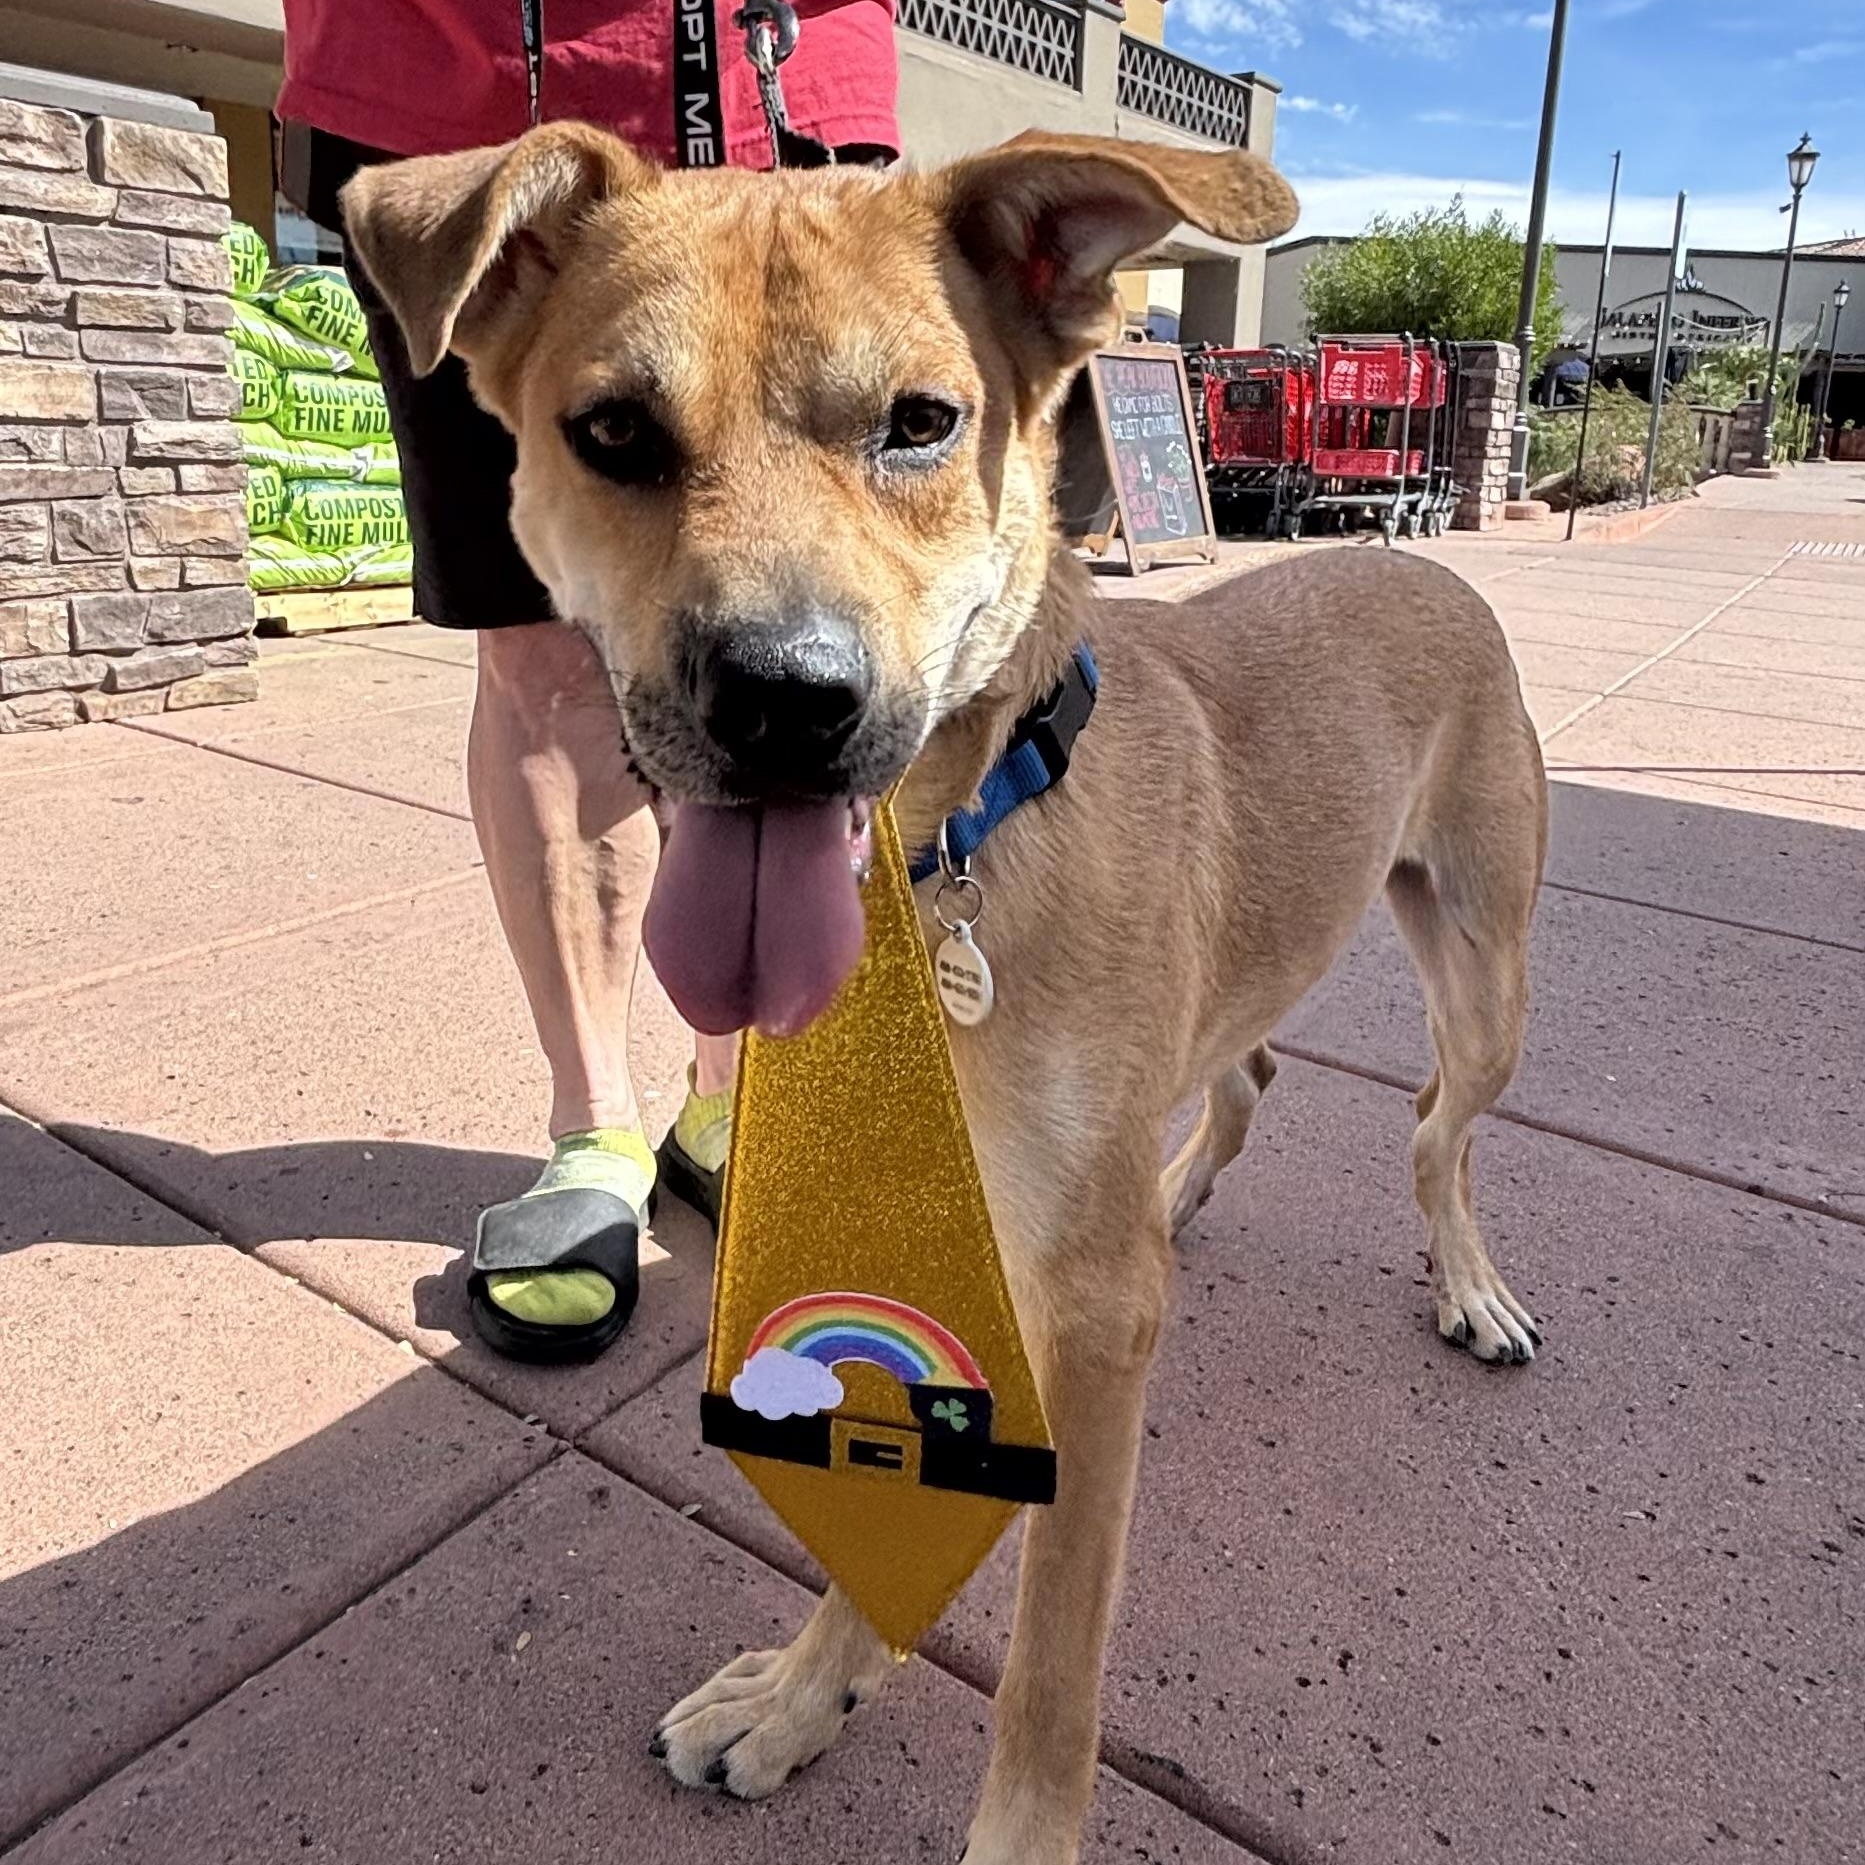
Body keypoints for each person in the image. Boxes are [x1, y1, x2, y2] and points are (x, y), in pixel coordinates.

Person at [274, 0, 901, 1362]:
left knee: (805, 628)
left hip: (786, 69)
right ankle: (594, 1128)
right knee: (544, 661)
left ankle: (737, 1104)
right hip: (457, 78)